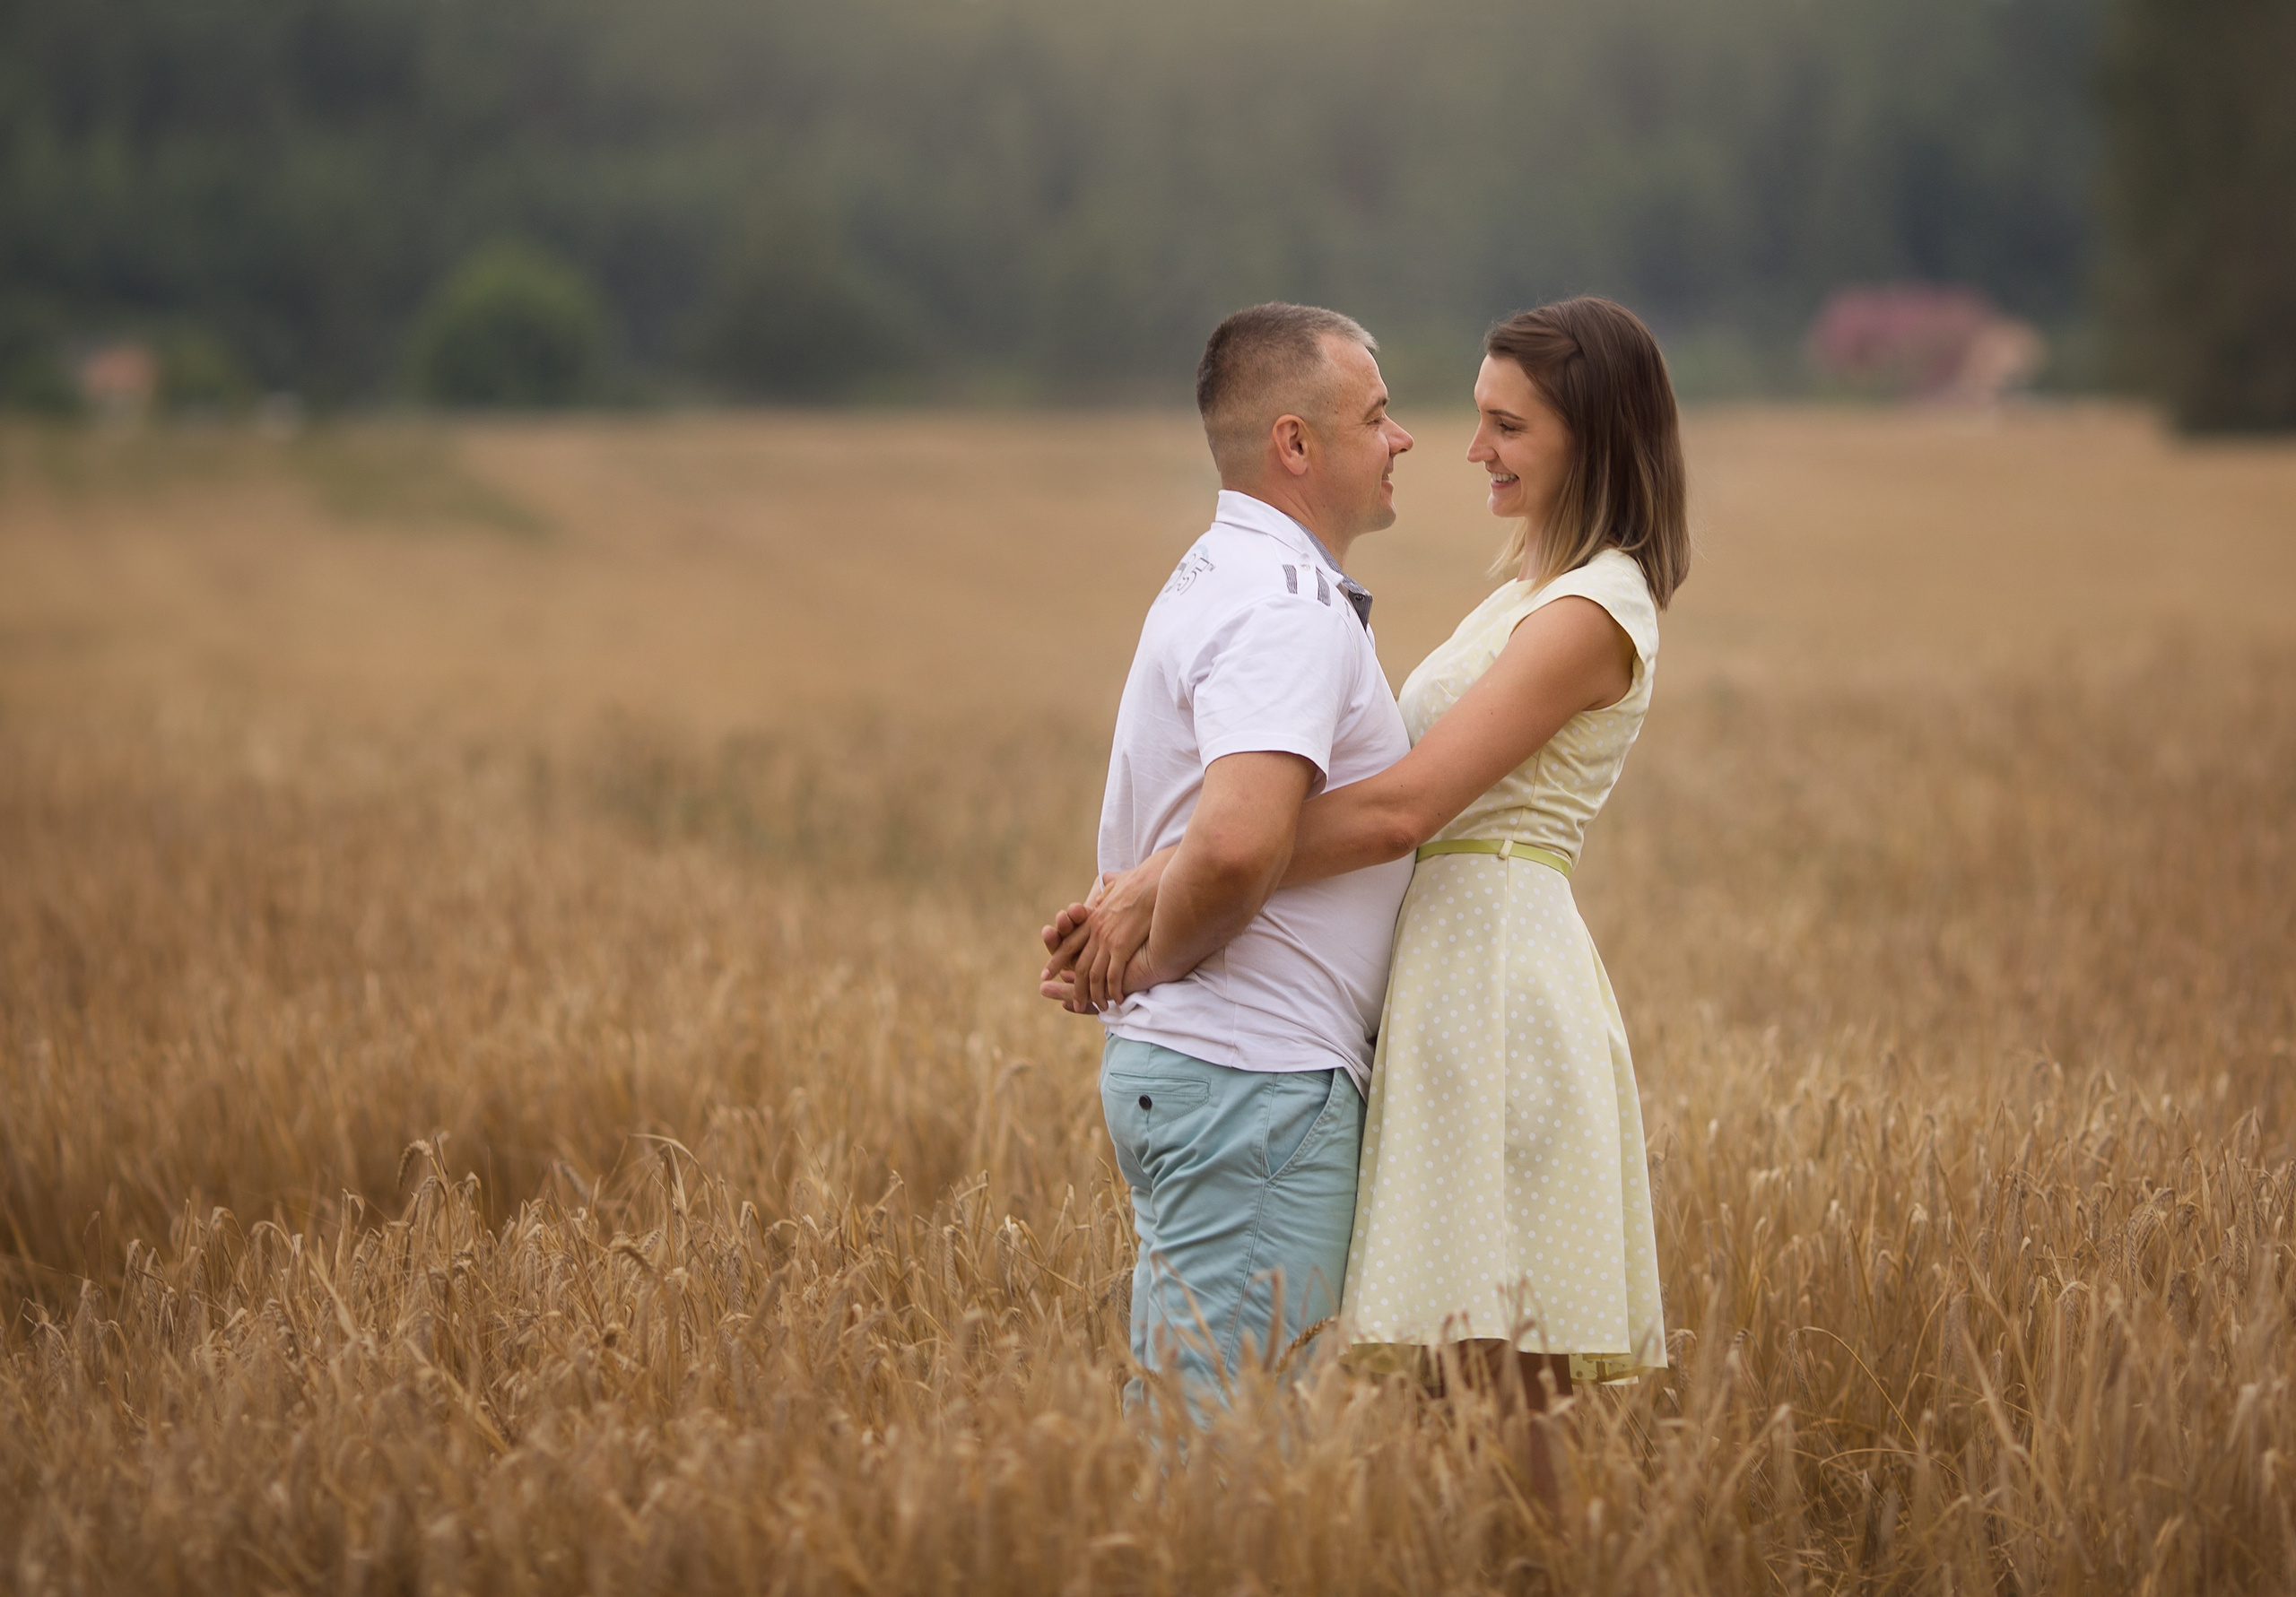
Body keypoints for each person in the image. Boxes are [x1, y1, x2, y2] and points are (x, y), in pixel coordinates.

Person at [1045, 297, 1689, 1498]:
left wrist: (1161, 880)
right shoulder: (1522, 595)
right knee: (1452, 1403)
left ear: (1588, 438)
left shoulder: (1594, 608)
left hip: (1496, 993)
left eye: (1506, 425)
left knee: (1503, 1392)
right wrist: (1170, 873)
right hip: (1433, 1001)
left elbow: (1399, 810)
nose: (1466, 448)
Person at [1069, 302, 1418, 1409]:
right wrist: (1152, 953)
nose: (1402, 436)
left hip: (1225, 1079)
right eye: (1376, 413)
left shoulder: (1218, 573)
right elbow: (1233, 842)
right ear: (1295, 444)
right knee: (1228, 1472)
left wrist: (1144, 932)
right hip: (1253, 1079)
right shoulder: (1284, 605)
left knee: (1199, 1426)